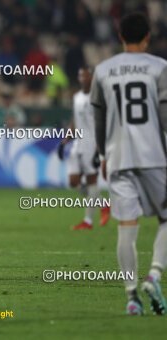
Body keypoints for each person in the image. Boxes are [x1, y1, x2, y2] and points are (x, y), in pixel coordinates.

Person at [91, 13, 167, 315]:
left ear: (120, 37)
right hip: (153, 156)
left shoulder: (103, 70)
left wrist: (102, 156)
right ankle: (154, 275)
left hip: (118, 157)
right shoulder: (160, 67)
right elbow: (163, 116)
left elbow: (98, 117)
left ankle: (131, 296)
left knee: (127, 225)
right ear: (148, 37)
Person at [58, 67, 110, 230]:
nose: (83, 78)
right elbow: (75, 120)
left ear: (92, 78)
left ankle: (88, 221)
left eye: (86, 75)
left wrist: (99, 148)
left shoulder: (99, 98)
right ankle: (103, 203)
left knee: (91, 181)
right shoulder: (76, 97)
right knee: (73, 182)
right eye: (81, 75)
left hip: (92, 144)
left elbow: (103, 123)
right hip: (78, 144)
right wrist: (65, 140)